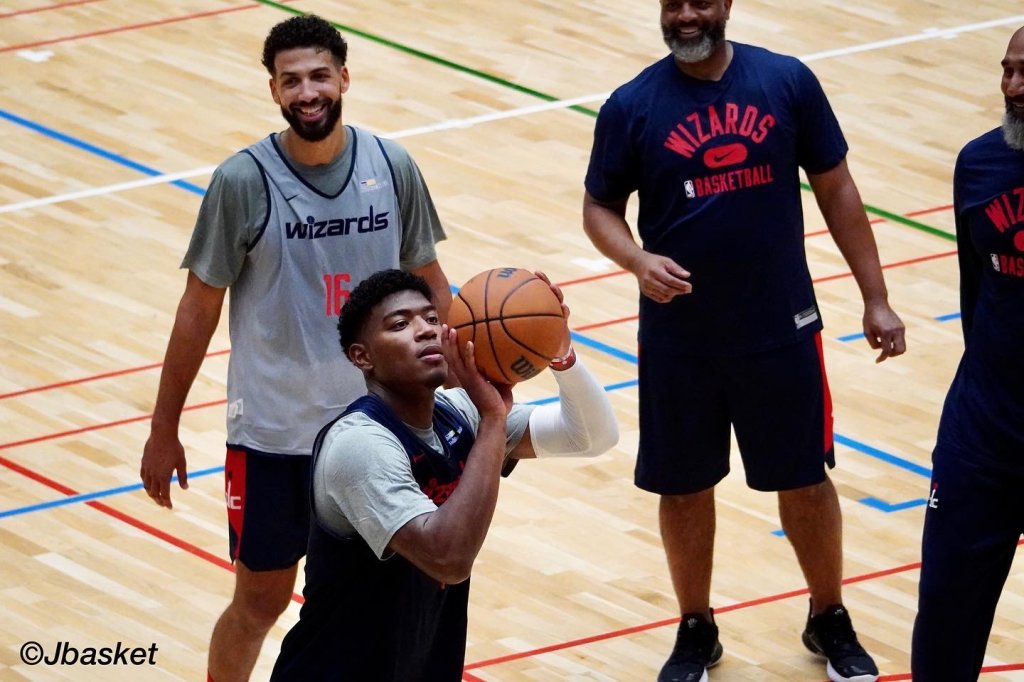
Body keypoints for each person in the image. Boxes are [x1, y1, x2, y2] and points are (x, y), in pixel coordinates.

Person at [582, 1, 907, 681]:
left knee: (805, 482)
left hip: (779, 327)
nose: (686, 16)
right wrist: (636, 261)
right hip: (681, 339)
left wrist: (876, 297)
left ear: (726, 4)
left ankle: (828, 617)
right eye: (673, 3)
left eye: (700, 1)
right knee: (684, 486)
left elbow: (838, 187)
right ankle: (696, 627)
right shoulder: (631, 105)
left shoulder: (785, 82)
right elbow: (599, 207)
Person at [138, 15, 455, 682]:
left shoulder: (392, 166)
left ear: (344, 78)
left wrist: (457, 388)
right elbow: (199, 308)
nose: (307, 92)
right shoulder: (242, 181)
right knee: (260, 601)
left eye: (318, 76)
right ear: (274, 92)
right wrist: (163, 428)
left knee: (376, 603)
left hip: (376, 434)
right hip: (275, 438)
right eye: (291, 82)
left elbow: (429, 283)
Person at [268, 269, 618, 680]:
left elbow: (591, 437)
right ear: (362, 356)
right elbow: (448, 558)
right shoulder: (359, 445)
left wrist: (559, 350)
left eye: (432, 319)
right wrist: (492, 420)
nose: (424, 331)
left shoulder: (458, 414)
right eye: (400, 324)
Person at [911, 26, 1024, 682]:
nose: (1011, 88)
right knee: (946, 617)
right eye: (1005, 72)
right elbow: (975, 292)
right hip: (981, 433)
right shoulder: (977, 165)